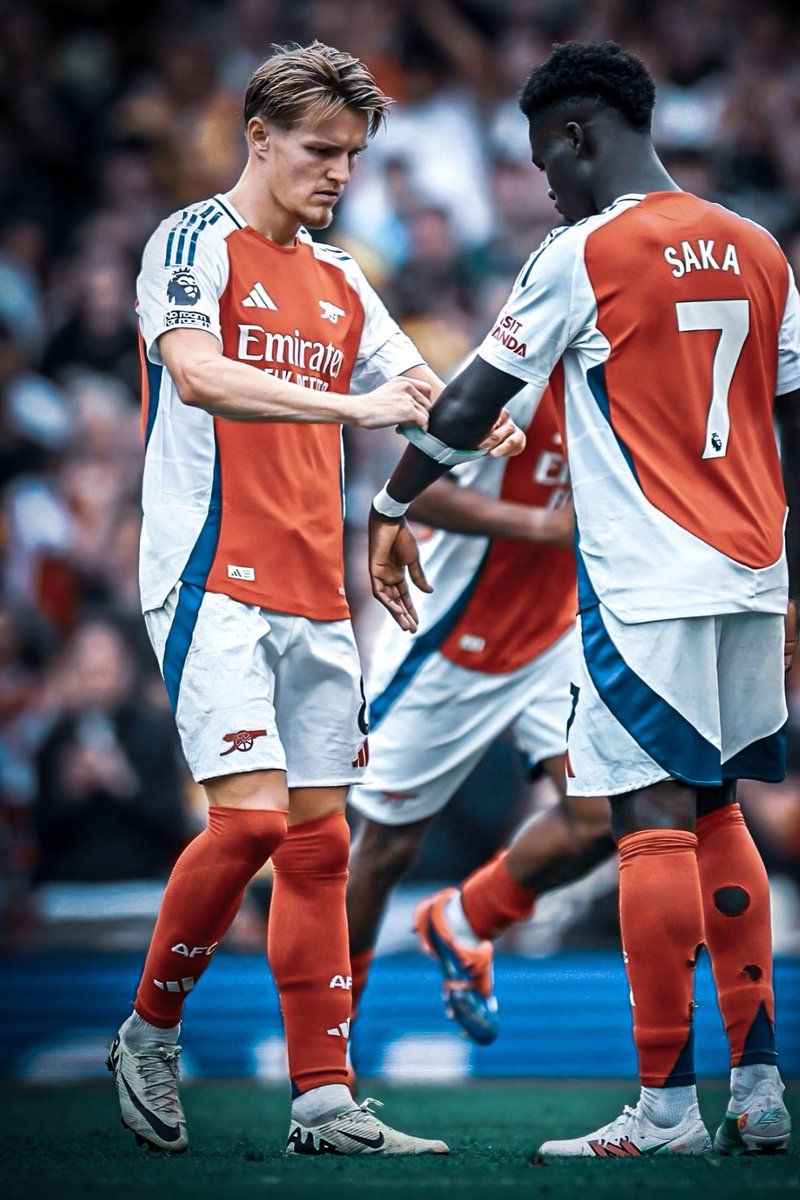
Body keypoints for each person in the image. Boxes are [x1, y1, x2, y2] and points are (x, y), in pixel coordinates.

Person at [367, 41, 800, 1159]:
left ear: (577, 137)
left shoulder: (584, 251)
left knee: (648, 821)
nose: (546, 187)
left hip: (646, 586)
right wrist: (794, 580)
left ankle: (665, 1111)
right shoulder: (758, 245)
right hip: (751, 573)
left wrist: (391, 501)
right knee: (717, 810)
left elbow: (471, 401)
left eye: (546, 163)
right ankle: (758, 1087)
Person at [108, 40, 523, 1160]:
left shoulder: (341, 276)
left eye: (352, 155)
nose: (340, 173)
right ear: (258, 138)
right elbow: (196, 372)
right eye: (320, 150)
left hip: (313, 586)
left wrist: (475, 421)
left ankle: (324, 1103)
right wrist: (358, 410)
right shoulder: (190, 242)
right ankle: (149, 1030)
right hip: (210, 572)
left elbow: (418, 390)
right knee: (248, 821)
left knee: (318, 846)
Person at [347, 377, 613, 1041]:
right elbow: (408, 491)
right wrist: (542, 526)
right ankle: (328, 1039)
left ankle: (463, 922)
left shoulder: (643, 384)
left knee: (606, 817)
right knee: (384, 848)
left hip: (552, 637)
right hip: (450, 639)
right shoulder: (515, 378)